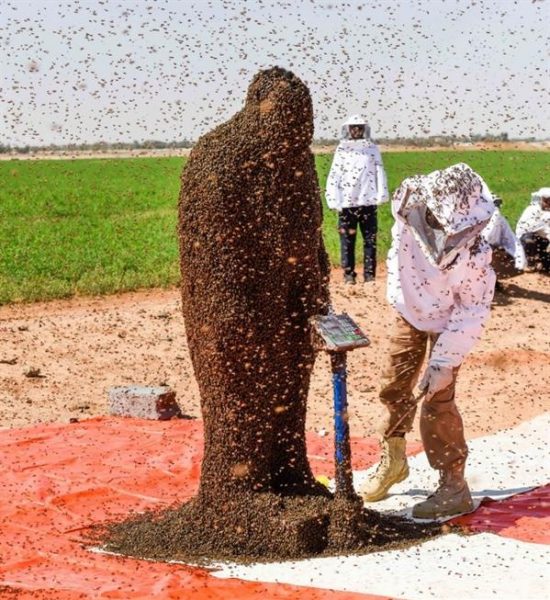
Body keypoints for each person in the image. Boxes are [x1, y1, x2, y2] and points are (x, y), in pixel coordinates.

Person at [361, 163, 496, 519]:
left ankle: (454, 486)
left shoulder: (477, 254)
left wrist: (444, 363)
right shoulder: (408, 208)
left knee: (438, 400)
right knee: (393, 387)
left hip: (450, 322)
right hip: (408, 310)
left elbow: (472, 311)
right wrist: (404, 304)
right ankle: (393, 462)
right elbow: (400, 257)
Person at [325, 115, 388, 284]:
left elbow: (379, 172)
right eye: (352, 127)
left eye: (358, 127)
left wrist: (381, 194)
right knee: (347, 241)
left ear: (363, 129)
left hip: (368, 203)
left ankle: (369, 276)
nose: (355, 130)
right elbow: (334, 176)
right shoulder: (341, 150)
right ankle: (348, 276)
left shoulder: (372, 149)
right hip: (347, 204)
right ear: (348, 130)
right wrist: (333, 199)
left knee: (370, 240)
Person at [481, 195, 526, 289]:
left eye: (497, 204)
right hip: (474, 250)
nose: (496, 207)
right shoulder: (475, 218)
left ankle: (492, 281)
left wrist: (518, 256)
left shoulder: (500, 220)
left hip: (490, 249)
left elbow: (510, 238)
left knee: (494, 253)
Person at [516, 187, 550, 273]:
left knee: (547, 266)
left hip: (542, 238)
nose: (548, 203)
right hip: (525, 238)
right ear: (541, 200)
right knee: (529, 240)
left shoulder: (546, 212)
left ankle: (542, 262)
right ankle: (529, 262)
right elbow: (542, 228)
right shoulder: (532, 211)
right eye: (546, 201)